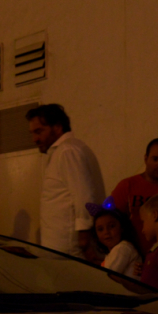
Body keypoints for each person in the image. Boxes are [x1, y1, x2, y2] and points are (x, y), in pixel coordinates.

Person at [26, 104, 104, 260]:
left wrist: (84, 241)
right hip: (64, 249)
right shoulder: (70, 149)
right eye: (32, 133)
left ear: (57, 127)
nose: (34, 139)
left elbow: (84, 197)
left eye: (39, 131)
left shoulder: (67, 151)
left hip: (69, 250)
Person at [110, 138, 158, 238]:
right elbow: (111, 222)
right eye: (155, 159)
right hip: (132, 251)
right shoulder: (127, 186)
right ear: (146, 159)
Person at [85, 200, 141, 276]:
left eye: (111, 226)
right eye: (100, 229)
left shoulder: (123, 248)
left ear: (122, 227)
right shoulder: (111, 253)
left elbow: (106, 278)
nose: (106, 232)